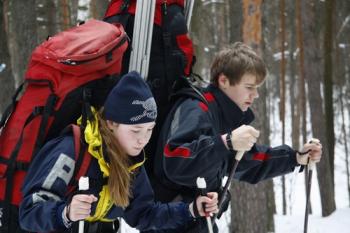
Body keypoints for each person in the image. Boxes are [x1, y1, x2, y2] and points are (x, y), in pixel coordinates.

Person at [146, 42, 323, 233]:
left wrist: (295, 158)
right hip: (169, 222)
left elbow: (247, 160)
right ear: (224, 80)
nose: (255, 95)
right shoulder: (196, 108)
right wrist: (225, 142)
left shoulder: (223, 114)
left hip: (197, 222)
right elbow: (175, 159)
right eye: (249, 87)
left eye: (256, 88)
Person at [19, 71, 219, 233]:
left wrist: (191, 210)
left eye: (149, 129)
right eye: (135, 130)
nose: (143, 139)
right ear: (111, 123)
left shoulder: (130, 162)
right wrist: (66, 212)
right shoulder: (71, 151)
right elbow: (29, 212)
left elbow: (143, 214)